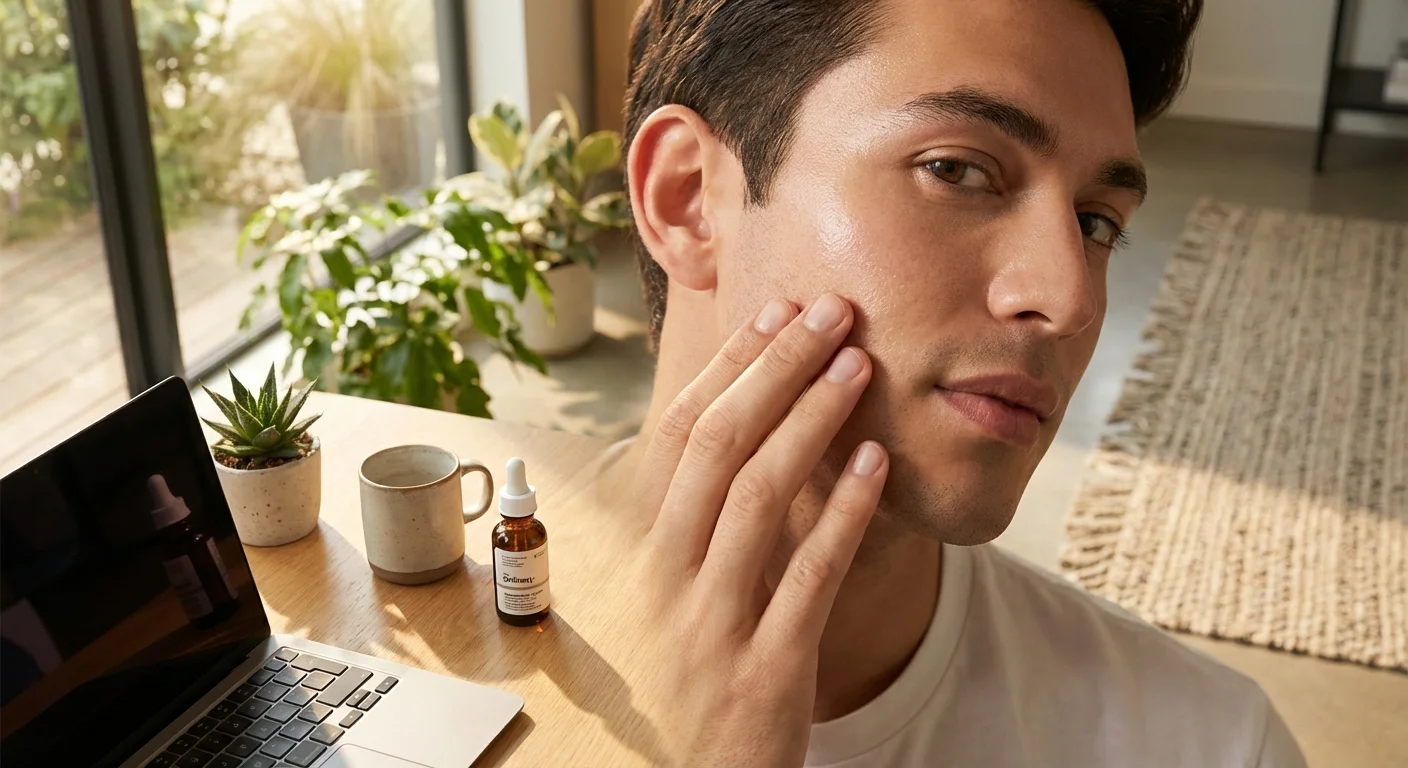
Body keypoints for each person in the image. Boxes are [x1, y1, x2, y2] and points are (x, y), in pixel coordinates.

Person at [607, 0, 1308, 766]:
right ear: (688, 202)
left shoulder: (1216, 746)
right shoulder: (458, 676)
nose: (1069, 298)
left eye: (1095, 222)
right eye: (957, 170)